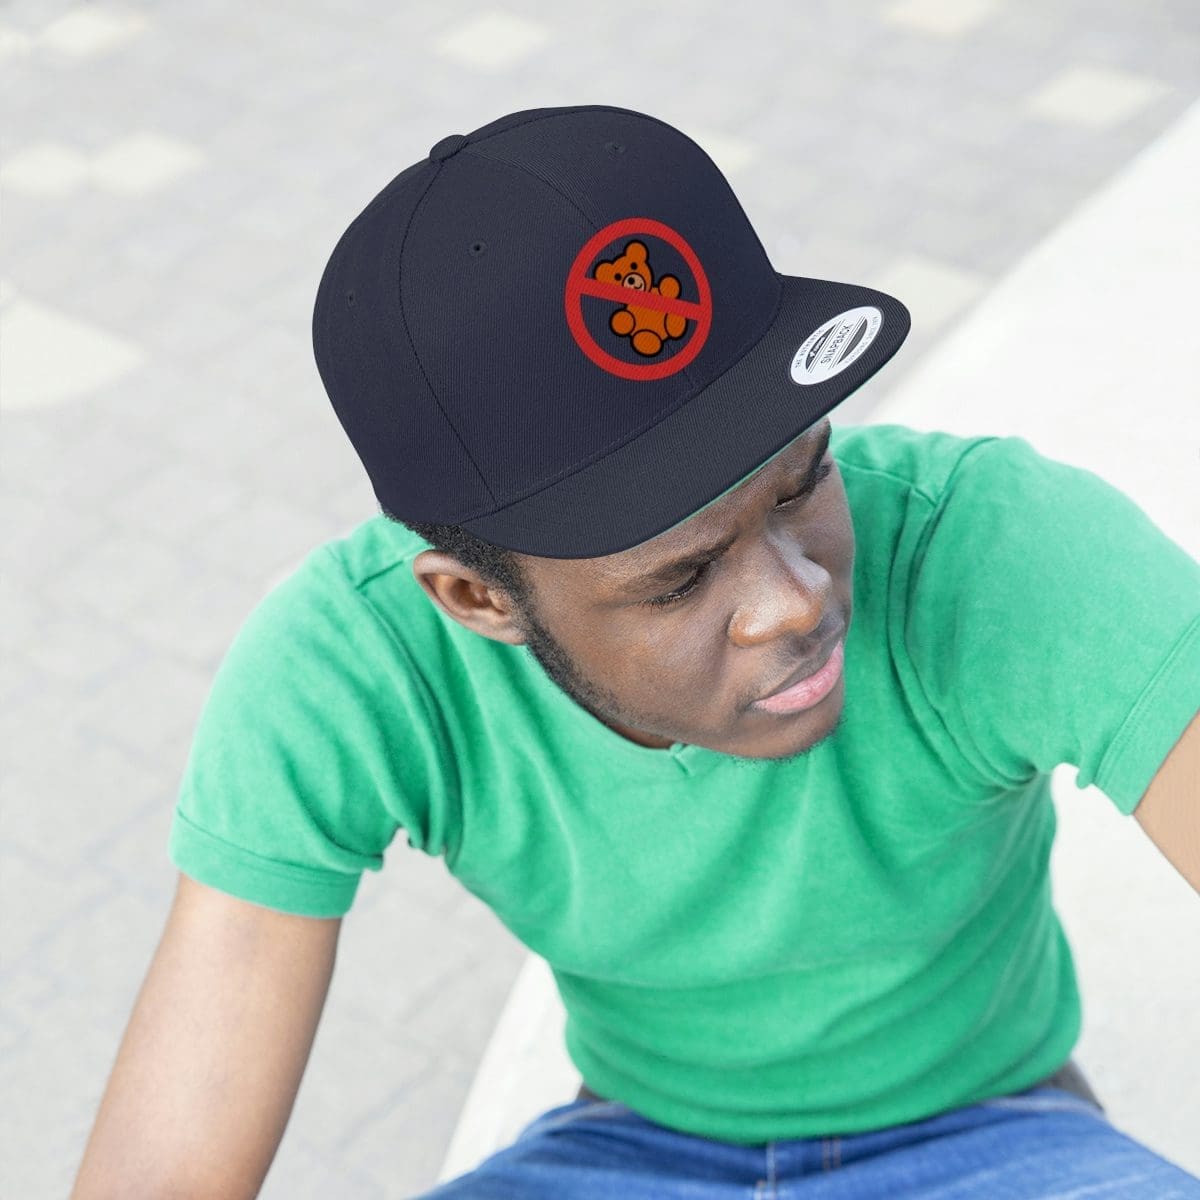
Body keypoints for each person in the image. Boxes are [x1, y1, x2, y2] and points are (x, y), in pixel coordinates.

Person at [71, 104, 1200, 1199]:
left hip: (997, 1127)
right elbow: (168, 1172)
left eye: (801, 480)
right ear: (477, 600)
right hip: (631, 1150)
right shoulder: (356, 668)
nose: (795, 601)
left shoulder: (994, 545)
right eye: (682, 578)